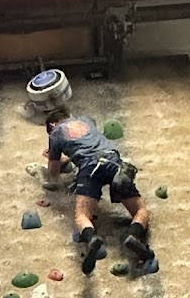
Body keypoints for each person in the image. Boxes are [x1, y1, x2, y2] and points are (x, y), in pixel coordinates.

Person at [45, 108, 154, 275]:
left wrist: (55, 168)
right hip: (113, 162)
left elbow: (53, 171)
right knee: (140, 210)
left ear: (53, 124)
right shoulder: (86, 119)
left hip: (89, 166)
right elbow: (86, 141)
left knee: (82, 215)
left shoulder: (55, 134)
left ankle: (92, 239)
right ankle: (134, 235)